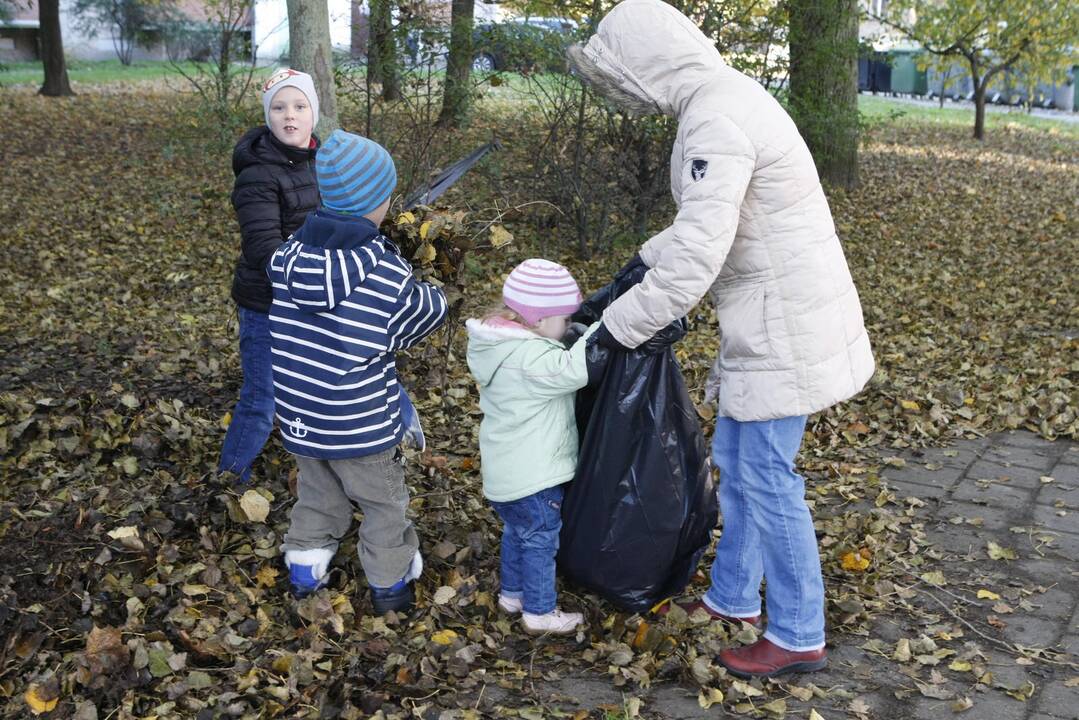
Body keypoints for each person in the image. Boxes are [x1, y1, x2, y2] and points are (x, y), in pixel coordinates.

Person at [566, 0, 874, 677]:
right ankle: (734, 597)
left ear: (644, 60)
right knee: (740, 464)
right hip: (780, 313)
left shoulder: (715, 114)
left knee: (766, 477)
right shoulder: (723, 97)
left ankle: (796, 631)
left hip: (781, 324)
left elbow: (701, 252)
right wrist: (640, 265)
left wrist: (619, 325)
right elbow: (703, 227)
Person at [268, 130, 448, 614]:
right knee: (383, 507)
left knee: (318, 496)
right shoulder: (383, 274)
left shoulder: (286, 257)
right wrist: (436, 289)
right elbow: (421, 315)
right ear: (379, 203)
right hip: (361, 425)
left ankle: (305, 569)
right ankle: (391, 588)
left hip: (302, 418)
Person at [465, 260, 602, 635]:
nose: (567, 326)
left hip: (505, 473)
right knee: (541, 540)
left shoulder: (497, 347)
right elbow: (576, 370)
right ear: (539, 321)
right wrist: (598, 332)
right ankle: (540, 611)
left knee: (517, 532)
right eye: (563, 319)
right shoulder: (532, 358)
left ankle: (513, 594)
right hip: (535, 476)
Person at [218, 69, 321, 484]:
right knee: (263, 399)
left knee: (319, 386)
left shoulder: (324, 161)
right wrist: (317, 271)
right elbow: (263, 248)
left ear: (314, 112)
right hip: (266, 303)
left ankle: (320, 469)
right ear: (268, 116)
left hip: (309, 299)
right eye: (279, 107)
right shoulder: (258, 172)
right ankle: (229, 478)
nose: (289, 116)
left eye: (299, 106)